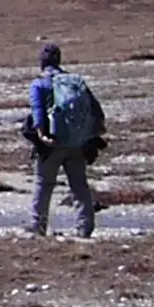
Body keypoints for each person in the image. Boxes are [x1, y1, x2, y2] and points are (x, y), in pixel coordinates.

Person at [27, 42, 99, 238]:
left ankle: (38, 224)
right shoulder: (75, 81)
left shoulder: (39, 83)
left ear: (42, 62)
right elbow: (95, 110)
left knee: (44, 183)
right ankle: (85, 226)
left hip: (52, 143)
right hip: (78, 142)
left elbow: (38, 112)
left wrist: (42, 135)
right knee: (79, 184)